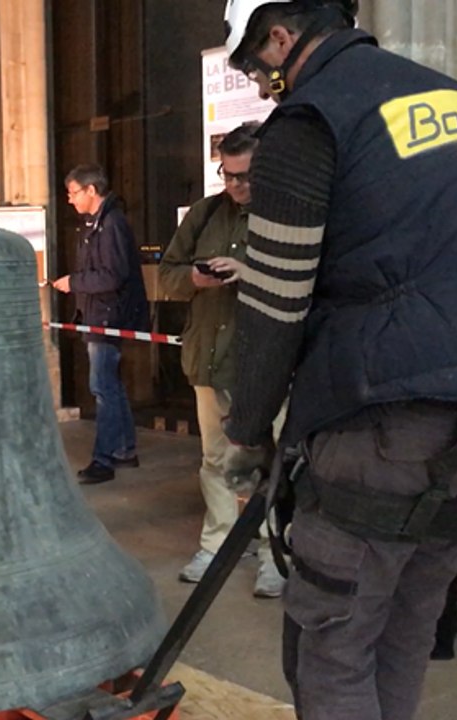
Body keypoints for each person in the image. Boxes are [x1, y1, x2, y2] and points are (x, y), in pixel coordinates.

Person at [219, 2, 457, 719]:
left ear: (282, 36)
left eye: (259, 66)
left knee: (333, 648)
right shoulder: (455, 99)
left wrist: (248, 428)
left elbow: (273, 299)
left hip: (385, 419)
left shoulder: (310, 118)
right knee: (403, 635)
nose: (261, 86)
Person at [157, 125, 284, 598]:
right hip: (211, 354)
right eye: (228, 176)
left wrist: (249, 273)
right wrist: (194, 278)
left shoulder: (287, 213)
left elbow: (313, 279)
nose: (236, 186)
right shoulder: (205, 214)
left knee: (271, 460)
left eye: (246, 176)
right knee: (214, 458)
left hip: (267, 361)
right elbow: (167, 276)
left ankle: (275, 553)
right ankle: (218, 545)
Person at [53, 164, 149, 485]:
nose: (70, 200)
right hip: (98, 315)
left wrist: (74, 282)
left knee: (102, 388)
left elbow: (112, 275)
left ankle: (103, 459)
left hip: (107, 317)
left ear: (91, 191)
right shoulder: (95, 224)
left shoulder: (111, 225)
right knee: (110, 385)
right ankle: (124, 449)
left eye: (74, 193)